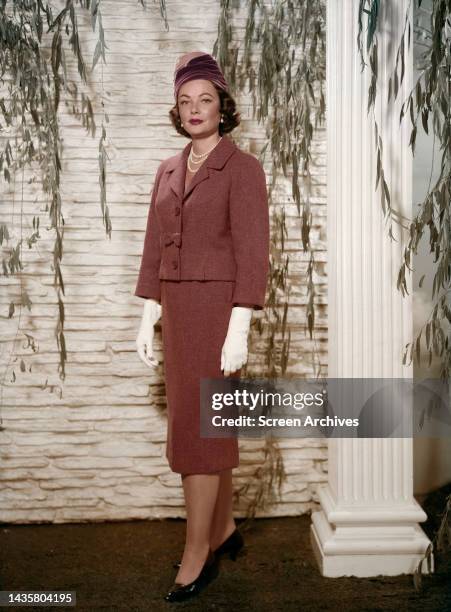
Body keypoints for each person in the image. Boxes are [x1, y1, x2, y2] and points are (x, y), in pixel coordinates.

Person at [134, 51, 270, 602]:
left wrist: (239, 329)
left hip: (217, 313)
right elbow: (153, 247)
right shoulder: (167, 169)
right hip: (178, 309)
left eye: (205, 100)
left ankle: (198, 554)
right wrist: (148, 314)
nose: (194, 110)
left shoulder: (243, 168)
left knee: (199, 427)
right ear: (178, 109)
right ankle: (223, 528)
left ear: (222, 107)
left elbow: (253, 255)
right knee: (202, 421)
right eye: (185, 102)